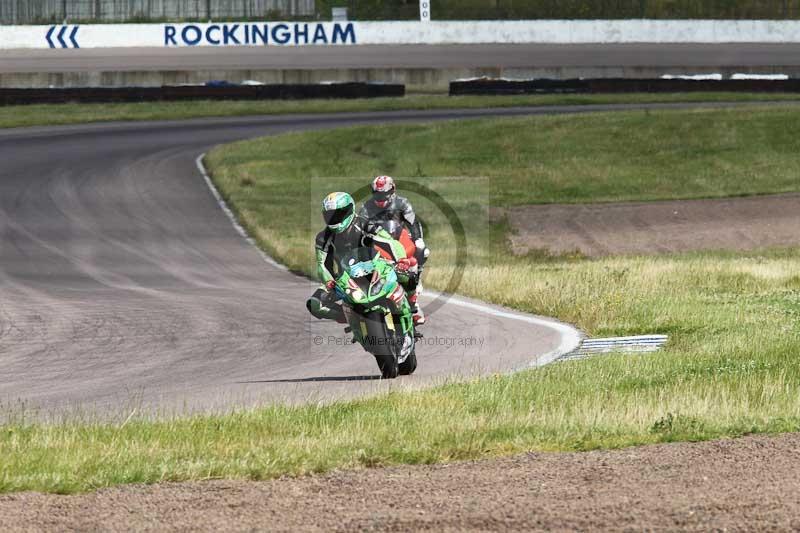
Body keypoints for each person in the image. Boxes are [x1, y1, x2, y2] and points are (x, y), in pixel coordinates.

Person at [306, 192, 420, 325]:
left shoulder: (364, 224)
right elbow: (321, 265)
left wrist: (401, 260)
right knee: (315, 304)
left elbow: (390, 242)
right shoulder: (323, 237)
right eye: (330, 215)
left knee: (408, 276)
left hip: (375, 266)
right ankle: (351, 317)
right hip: (344, 278)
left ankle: (412, 306)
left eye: (339, 214)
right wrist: (329, 281)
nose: (335, 219)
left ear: (349, 210)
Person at [358, 176, 429, 324]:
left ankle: (415, 284)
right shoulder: (366, 206)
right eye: (377, 194)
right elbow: (359, 226)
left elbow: (413, 222)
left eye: (383, 194)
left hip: (399, 237)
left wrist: (418, 238)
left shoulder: (402, 203)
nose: (380, 198)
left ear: (392, 191)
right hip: (377, 240)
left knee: (422, 249)